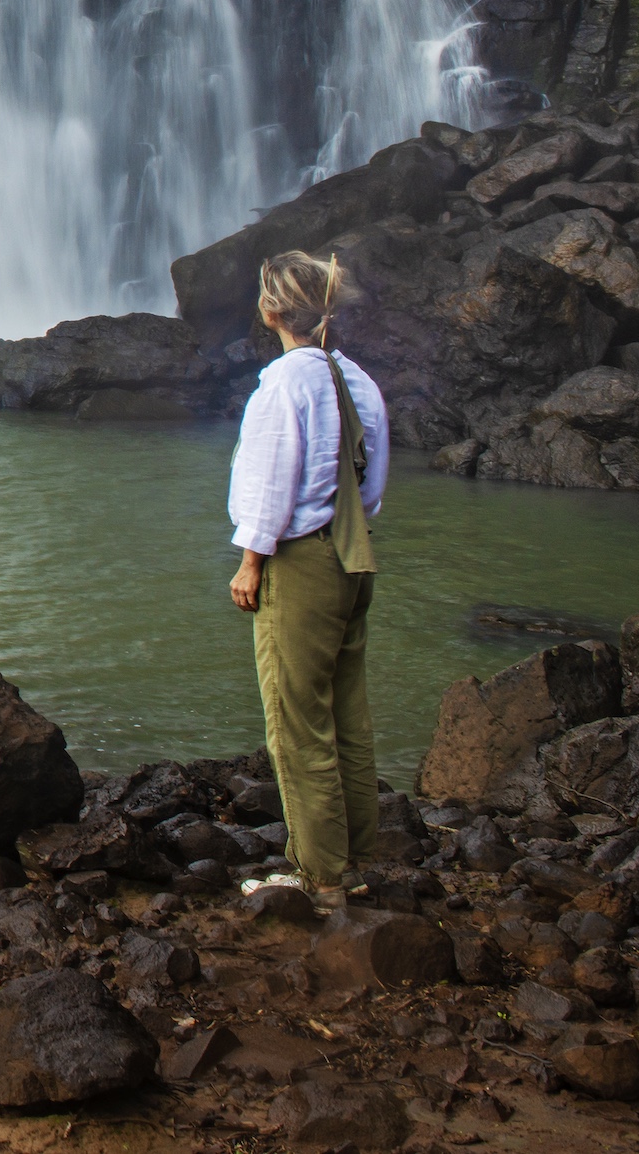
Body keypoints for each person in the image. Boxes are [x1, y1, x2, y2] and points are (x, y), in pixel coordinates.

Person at [225, 249, 389, 911]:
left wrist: (251, 562)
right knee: (347, 713)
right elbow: (371, 488)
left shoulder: (285, 385)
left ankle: (320, 875)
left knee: (297, 723)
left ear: (270, 311)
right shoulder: (359, 382)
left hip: (301, 565)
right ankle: (357, 856)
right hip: (354, 557)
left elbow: (269, 485)